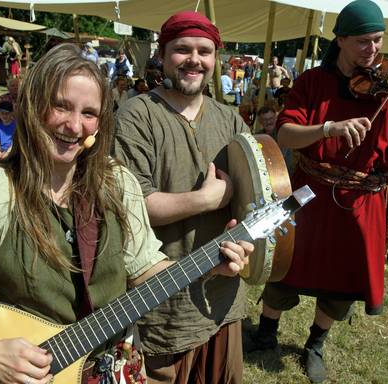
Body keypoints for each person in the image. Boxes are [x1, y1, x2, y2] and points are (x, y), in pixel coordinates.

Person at [0, 43, 250, 384]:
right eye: (61, 106)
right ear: (35, 108)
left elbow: (143, 267)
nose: (74, 125)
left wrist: (209, 266)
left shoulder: (117, 183)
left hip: (113, 367)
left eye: (89, 113)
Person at [245, 1, 388, 382]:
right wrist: (327, 128)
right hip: (311, 189)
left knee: (345, 279)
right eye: (365, 42)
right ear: (342, 40)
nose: (374, 50)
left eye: (379, 41)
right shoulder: (312, 83)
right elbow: (284, 133)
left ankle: (315, 344)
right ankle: (267, 332)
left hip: (362, 199)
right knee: (285, 263)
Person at [114, 11, 252, 384]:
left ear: (215, 59)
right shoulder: (136, 115)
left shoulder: (231, 120)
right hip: (162, 304)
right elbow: (134, 208)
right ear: (162, 54)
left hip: (223, 298)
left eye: (204, 51)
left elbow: (253, 200)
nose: (195, 59)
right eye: (182, 49)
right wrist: (208, 199)